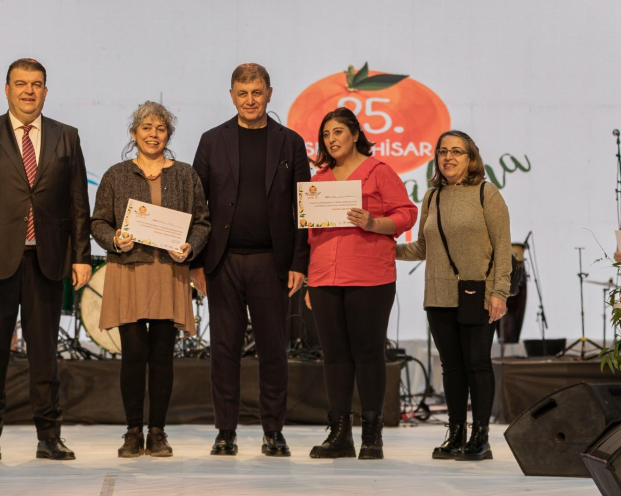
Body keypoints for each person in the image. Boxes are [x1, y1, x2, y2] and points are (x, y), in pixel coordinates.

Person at [0, 58, 92, 462]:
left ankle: (49, 437)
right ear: (7, 89)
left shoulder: (67, 136)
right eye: (21, 83)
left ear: (46, 90)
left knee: (45, 355)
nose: (29, 90)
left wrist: (81, 256)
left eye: (36, 84)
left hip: (47, 260)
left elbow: (78, 203)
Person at [191, 63, 310, 457]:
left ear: (269, 94)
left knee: (273, 350)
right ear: (231, 96)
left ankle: (273, 432)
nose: (250, 100)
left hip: (271, 262)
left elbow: (303, 207)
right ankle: (225, 432)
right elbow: (196, 205)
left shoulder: (290, 142)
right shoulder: (212, 140)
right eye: (242, 93)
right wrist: (195, 263)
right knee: (223, 350)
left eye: (257, 92)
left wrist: (299, 262)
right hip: (222, 262)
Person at [91, 101, 210, 458]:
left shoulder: (186, 175)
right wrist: (114, 239)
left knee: (162, 356)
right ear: (134, 133)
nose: (153, 134)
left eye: (160, 128)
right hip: (129, 270)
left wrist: (190, 247)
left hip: (168, 272)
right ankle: (132, 432)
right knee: (133, 354)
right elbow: (98, 221)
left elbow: (202, 222)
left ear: (168, 135)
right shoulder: (116, 175)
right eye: (146, 128)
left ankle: (157, 431)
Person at [304, 108, 417, 460]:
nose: (331, 139)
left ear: (355, 134)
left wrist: (373, 223)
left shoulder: (378, 171)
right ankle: (340, 435)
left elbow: (406, 213)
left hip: (370, 277)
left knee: (368, 355)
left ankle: (372, 435)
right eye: (326, 135)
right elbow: (310, 234)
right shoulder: (318, 180)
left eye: (338, 132)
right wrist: (309, 278)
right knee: (334, 357)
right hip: (324, 277)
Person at [396, 130, 511, 461]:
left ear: (471, 158)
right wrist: (385, 250)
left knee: (477, 364)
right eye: (442, 151)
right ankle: (456, 434)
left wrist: (499, 292)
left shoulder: (486, 193)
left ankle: (481, 437)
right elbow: (423, 246)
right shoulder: (432, 197)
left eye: (457, 151)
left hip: (477, 293)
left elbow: (503, 247)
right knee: (451, 367)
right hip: (438, 294)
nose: (448, 157)